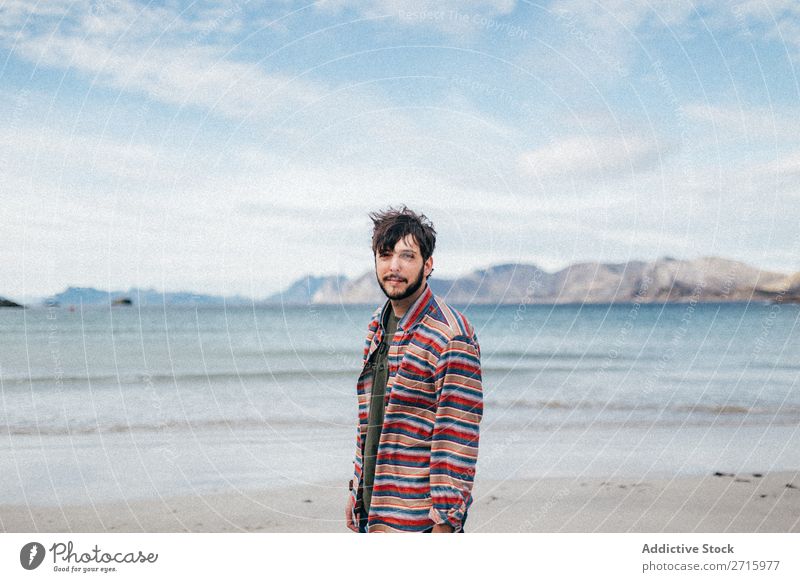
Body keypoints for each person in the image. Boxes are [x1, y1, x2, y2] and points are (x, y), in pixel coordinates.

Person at [345, 206, 483, 533]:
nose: (394, 266)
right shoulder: (377, 325)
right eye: (385, 254)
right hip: (375, 508)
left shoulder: (451, 336)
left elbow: (457, 439)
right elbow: (372, 418)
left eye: (407, 256)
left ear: (428, 264)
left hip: (418, 522)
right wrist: (357, 490)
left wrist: (446, 524)